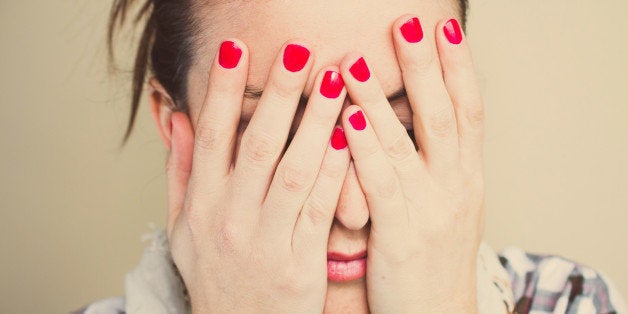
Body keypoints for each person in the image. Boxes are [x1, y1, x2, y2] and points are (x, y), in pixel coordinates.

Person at [77, 0, 627, 313]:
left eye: (399, 130)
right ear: (178, 129)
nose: (351, 209)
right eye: (281, 143)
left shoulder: (574, 301)